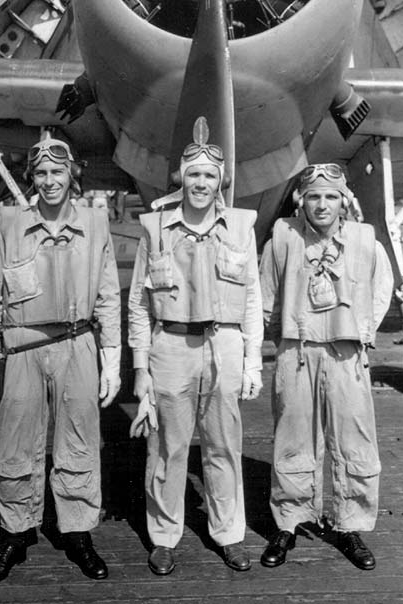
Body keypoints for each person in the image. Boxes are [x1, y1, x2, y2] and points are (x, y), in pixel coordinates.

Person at [0, 134, 122, 584]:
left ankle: (76, 532)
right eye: (41, 173)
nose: (51, 180)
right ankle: (15, 535)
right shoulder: (9, 225)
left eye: (59, 172)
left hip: (78, 346)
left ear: (72, 174)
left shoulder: (96, 225)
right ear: (31, 178)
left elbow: (109, 295)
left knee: (78, 439)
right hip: (22, 349)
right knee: (17, 440)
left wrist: (112, 358)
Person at [127, 116, 263, 575]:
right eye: (193, 174)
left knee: (224, 446)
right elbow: (138, 306)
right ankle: (165, 536)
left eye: (209, 175)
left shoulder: (241, 228)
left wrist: (251, 363)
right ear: (180, 178)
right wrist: (141, 371)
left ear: (220, 181)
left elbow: (252, 301)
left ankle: (229, 534)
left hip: (223, 344)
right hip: (171, 346)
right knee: (168, 447)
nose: (201, 183)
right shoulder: (155, 228)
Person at [259, 163, 394, 571]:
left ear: (342, 200)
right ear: (302, 199)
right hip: (296, 353)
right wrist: (271, 340)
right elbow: (265, 295)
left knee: (354, 441)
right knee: (293, 438)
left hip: (346, 355)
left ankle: (350, 524)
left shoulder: (365, 239)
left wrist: (362, 329)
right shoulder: (283, 237)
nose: (322, 204)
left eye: (330, 196)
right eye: (314, 196)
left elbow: (382, 287)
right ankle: (290, 519)